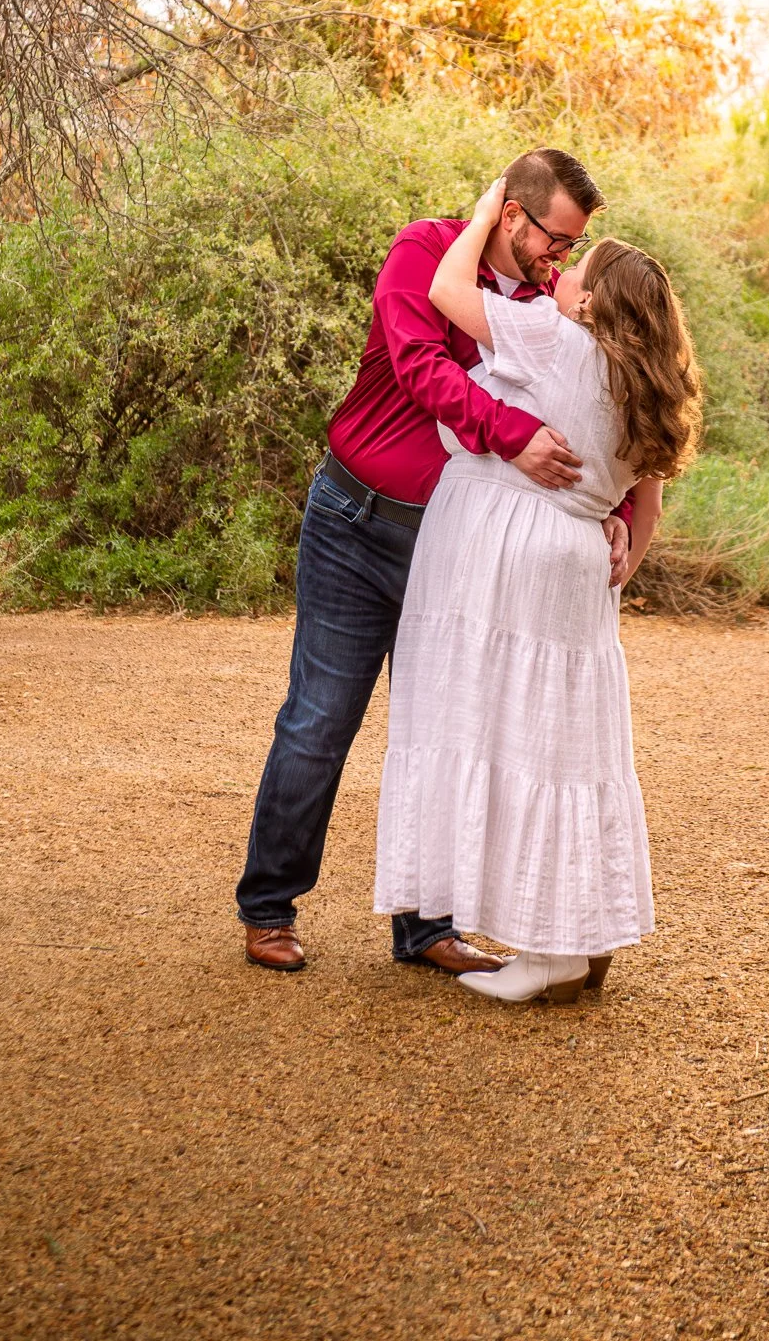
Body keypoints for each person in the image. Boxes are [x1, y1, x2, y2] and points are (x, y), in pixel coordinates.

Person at [236, 148, 635, 974]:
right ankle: (269, 907)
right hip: (355, 521)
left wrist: (619, 507)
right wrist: (512, 434)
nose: (559, 258)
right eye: (553, 239)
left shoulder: (547, 304)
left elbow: (609, 394)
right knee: (318, 721)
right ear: (511, 213)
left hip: (455, 548)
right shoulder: (423, 251)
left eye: (573, 247)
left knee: (452, 727)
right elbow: (421, 368)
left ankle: (425, 929)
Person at [374, 176, 701, 1004]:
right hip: (577, 568)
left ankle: (545, 949)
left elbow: (446, 292)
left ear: (591, 302)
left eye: (572, 268)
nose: (556, 275)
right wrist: (612, 533)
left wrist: (487, 212)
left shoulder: (554, 338)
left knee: (497, 733)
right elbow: (647, 510)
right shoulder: (648, 385)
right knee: (564, 749)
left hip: (503, 546)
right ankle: (581, 933)